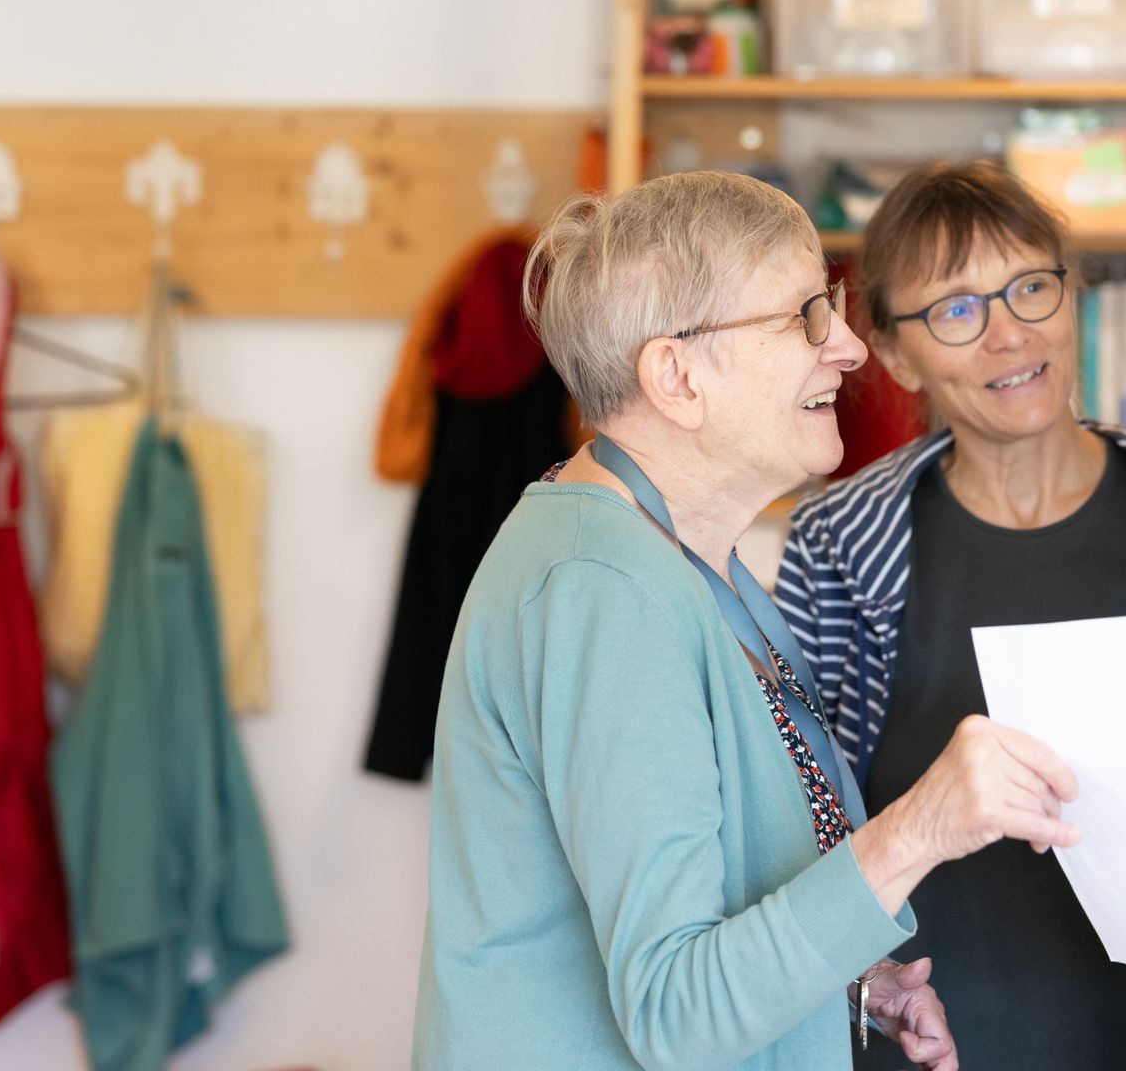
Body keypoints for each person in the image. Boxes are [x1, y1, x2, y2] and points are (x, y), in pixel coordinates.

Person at [411, 170, 1086, 1071]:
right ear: (677, 376)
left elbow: (730, 893)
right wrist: (920, 826)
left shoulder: (686, 559)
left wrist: (853, 977)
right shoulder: (601, 590)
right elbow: (675, 1012)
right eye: (803, 314)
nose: (846, 347)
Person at [775, 158, 1126, 1069]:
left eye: (1030, 287)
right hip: (925, 1040)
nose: (1007, 336)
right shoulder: (840, 538)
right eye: (955, 309)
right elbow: (798, 814)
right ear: (898, 351)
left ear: (1074, 295)